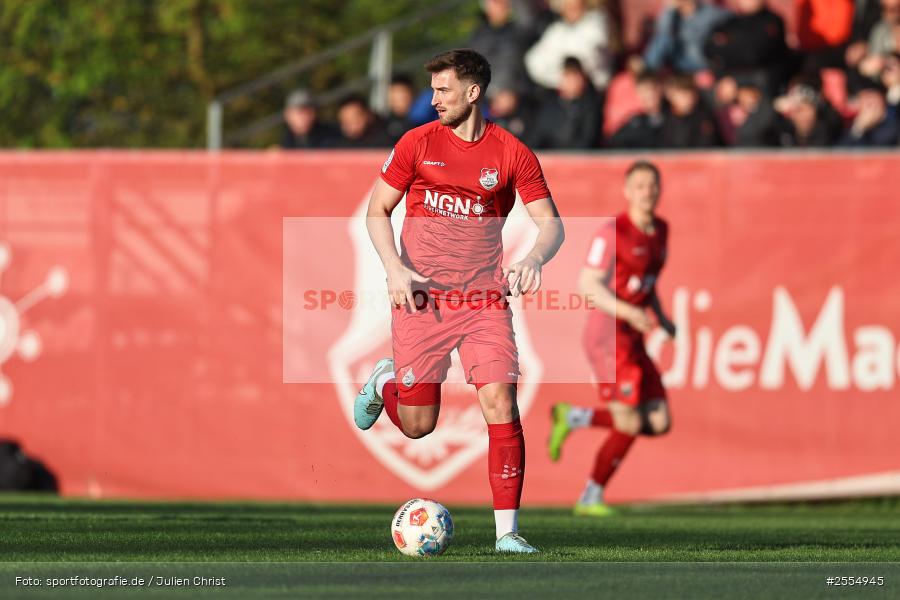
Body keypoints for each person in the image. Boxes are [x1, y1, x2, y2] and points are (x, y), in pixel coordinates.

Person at [354, 49, 565, 553]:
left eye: (443, 90)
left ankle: (507, 535)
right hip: (422, 297)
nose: (433, 100)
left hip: (483, 299)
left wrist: (535, 257)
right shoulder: (416, 142)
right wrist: (395, 268)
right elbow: (377, 210)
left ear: (473, 92)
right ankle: (386, 381)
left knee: (500, 399)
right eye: (432, 91)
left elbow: (551, 224)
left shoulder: (512, 153)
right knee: (418, 427)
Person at [548, 160, 675, 516]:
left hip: (633, 334)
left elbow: (648, 284)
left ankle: (573, 417)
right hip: (608, 334)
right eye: (640, 185)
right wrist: (629, 311)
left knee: (660, 421)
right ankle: (590, 497)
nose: (647, 191)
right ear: (627, 191)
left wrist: (662, 318)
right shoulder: (612, 232)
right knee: (630, 422)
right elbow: (587, 285)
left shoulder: (660, 230)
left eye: (652, 184)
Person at [703, 0, 794, 95]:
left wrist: (728, 47)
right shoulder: (732, 22)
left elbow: (755, 55)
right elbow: (709, 48)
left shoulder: (772, 21)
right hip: (731, 78)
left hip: (765, 81)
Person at [525, 0, 615, 92]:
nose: (572, 10)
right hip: (565, 96)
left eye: (576, 6)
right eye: (568, 6)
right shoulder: (556, 31)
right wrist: (562, 80)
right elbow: (534, 63)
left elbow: (590, 56)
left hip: (596, 92)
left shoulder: (597, 24)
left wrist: (575, 75)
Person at [526, 57, 603, 149]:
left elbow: (588, 140)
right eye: (568, 76)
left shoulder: (591, 106)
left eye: (575, 76)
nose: (572, 81)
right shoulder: (549, 105)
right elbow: (537, 136)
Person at [637, 0, 731, 74]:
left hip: (699, 57)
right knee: (663, 37)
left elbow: (730, 18)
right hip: (677, 59)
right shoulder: (674, 16)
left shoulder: (708, 12)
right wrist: (670, 9)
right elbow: (663, 31)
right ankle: (647, 69)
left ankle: (647, 68)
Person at [774, 81, 843, 147]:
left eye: (809, 110)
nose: (804, 116)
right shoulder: (784, 136)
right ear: (791, 114)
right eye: (799, 110)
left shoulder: (829, 133)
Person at [660, 74, 722, 147]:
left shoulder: (704, 117)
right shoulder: (663, 119)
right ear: (670, 95)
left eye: (691, 94)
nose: (688, 99)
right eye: (683, 94)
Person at [607, 73, 666, 149]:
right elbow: (616, 143)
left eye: (648, 90)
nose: (646, 96)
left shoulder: (672, 119)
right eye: (641, 92)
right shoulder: (635, 122)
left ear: (659, 89)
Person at [839, 79, 900, 145]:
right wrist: (858, 129)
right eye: (866, 100)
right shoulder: (851, 126)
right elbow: (839, 151)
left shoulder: (894, 124)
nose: (870, 105)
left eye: (874, 100)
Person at [385, 75, 417, 144]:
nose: (399, 99)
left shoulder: (421, 123)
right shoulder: (381, 124)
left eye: (402, 93)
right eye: (394, 93)